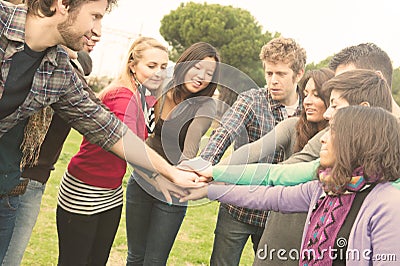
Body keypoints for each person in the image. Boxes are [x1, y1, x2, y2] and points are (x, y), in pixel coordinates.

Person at [0, 1, 200, 262]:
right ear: (63, 4)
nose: (98, 30)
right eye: (94, 16)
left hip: (7, 191)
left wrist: (171, 171)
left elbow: (109, 129)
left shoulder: (59, 70)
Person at [182, 105, 400, 266]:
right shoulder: (326, 187)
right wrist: (208, 190)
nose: (323, 139)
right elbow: (270, 197)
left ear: (358, 142)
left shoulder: (388, 204)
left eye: (334, 132)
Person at [56, 36, 171, 265]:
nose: (158, 72)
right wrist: (167, 177)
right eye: (151, 66)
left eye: (163, 67)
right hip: (85, 188)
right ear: (132, 65)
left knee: (97, 260)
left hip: (111, 191)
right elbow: (128, 148)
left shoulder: (145, 96)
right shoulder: (122, 95)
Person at [198, 37, 306, 265]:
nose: (273, 81)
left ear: (299, 74)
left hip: (278, 213)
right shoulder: (251, 100)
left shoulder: (310, 108)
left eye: (281, 74)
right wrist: (204, 166)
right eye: (269, 74)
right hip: (238, 208)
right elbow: (224, 133)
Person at [215, 68, 334, 265]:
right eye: (305, 95)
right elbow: (252, 151)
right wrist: (213, 171)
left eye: (316, 95)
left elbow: (283, 172)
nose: (307, 101)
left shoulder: (338, 137)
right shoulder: (293, 126)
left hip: (315, 226)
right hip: (282, 221)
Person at [125, 42, 220, 265]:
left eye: (209, 73)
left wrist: (179, 175)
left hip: (174, 192)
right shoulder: (160, 88)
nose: (201, 76)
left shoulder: (205, 106)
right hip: (141, 179)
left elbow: (189, 150)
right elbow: (140, 137)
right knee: (135, 256)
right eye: (197, 67)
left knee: (155, 261)